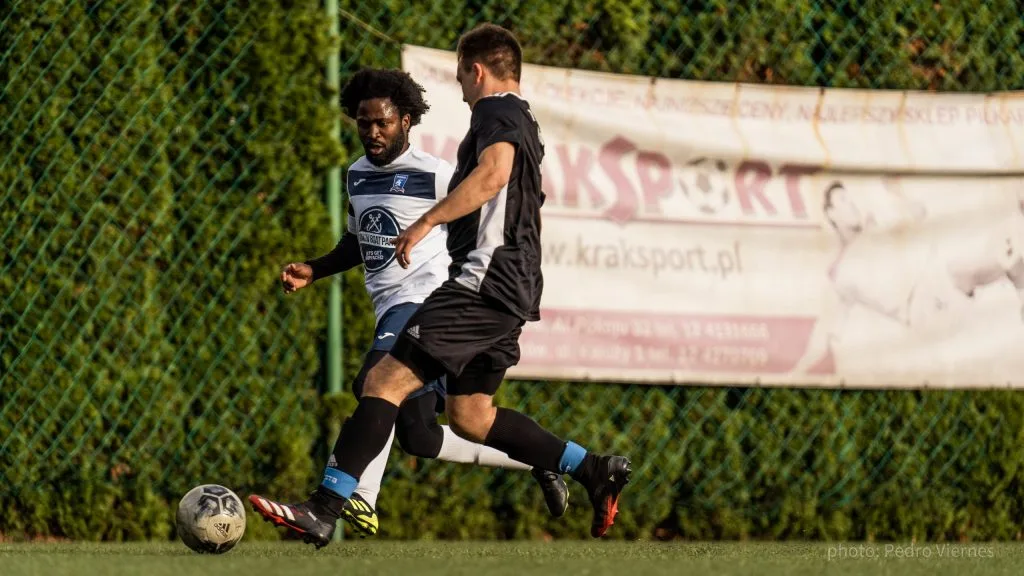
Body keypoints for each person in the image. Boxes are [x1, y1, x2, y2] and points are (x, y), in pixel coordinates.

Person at [250, 24, 631, 548]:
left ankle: (324, 509)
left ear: (476, 71)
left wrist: (428, 222)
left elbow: (494, 174)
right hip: (511, 288)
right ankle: (592, 469)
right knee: (470, 418)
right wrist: (318, 266)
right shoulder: (524, 120)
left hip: (481, 281)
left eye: (460, 77)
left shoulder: (497, 109)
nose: (460, 88)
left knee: (383, 381)